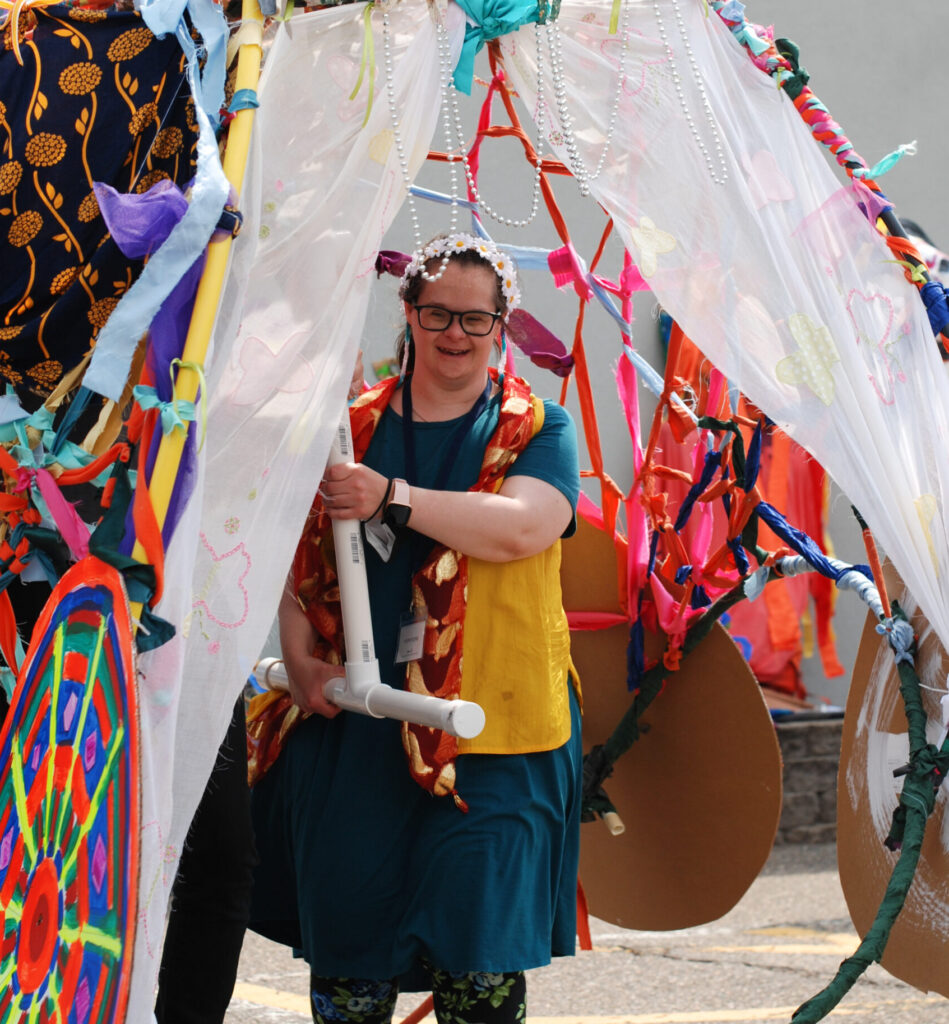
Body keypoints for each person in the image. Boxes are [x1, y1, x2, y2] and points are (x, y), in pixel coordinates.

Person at [247, 233, 583, 1024]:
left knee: (479, 976)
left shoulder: (537, 426)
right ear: (408, 314)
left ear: (502, 324)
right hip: (356, 731)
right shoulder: (345, 426)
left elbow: (522, 528)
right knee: (350, 976)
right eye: (437, 314)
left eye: (474, 318)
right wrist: (298, 661)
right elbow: (296, 562)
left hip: (493, 734)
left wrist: (391, 496)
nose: (455, 335)